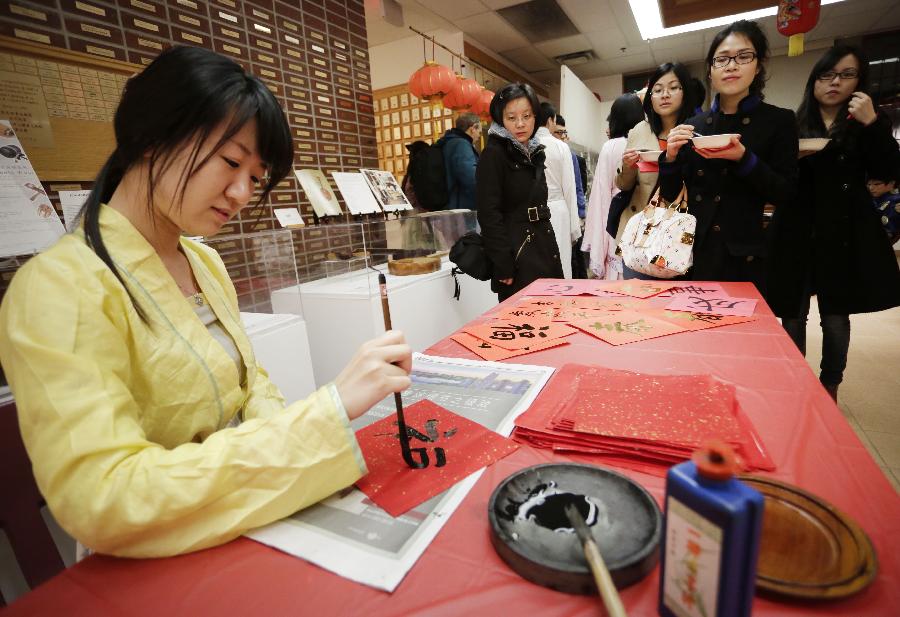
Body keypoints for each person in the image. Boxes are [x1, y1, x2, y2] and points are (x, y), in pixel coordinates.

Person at [0, 46, 413, 558]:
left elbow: (249, 385)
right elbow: (104, 497)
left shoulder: (204, 261)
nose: (242, 192)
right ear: (153, 136)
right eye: (231, 161)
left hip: (246, 516)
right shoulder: (58, 285)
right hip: (158, 549)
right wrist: (323, 417)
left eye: (256, 176)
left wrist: (306, 445)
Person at [771, 45, 900, 400]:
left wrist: (873, 123)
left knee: (835, 316)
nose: (834, 83)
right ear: (813, 82)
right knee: (792, 313)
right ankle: (795, 381)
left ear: (860, 81)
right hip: (797, 228)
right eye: (826, 75)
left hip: (843, 230)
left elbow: (889, 171)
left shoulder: (870, 122)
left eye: (846, 75)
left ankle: (830, 386)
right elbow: (778, 177)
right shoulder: (794, 122)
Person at [660, 20, 798, 294]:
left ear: (757, 66)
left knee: (743, 333)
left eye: (743, 56)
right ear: (711, 71)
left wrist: (745, 159)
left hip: (745, 255)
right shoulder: (695, 125)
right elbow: (672, 195)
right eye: (721, 59)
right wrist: (671, 157)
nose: (731, 65)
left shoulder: (778, 121)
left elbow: (786, 193)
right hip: (694, 252)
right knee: (698, 331)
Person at [476, 83, 563, 302]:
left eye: (526, 116)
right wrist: (503, 263)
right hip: (517, 252)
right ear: (500, 119)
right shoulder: (494, 154)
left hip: (544, 243)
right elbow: (488, 213)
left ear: (535, 116)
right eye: (512, 118)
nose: (520, 124)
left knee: (552, 314)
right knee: (524, 321)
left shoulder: (534, 150)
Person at [615, 62, 693, 279]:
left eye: (673, 87)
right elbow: (623, 184)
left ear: (685, 92)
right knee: (637, 304)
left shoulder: (695, 130)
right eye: (657, 90)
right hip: (641, 234)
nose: (664, 95)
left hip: (679, 237)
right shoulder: (639, 131)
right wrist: (629, 166)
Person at [583, 93, 644, 279]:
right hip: (641, 218)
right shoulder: (645, 143)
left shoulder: (611, 146)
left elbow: (601, 193)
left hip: (616, 218)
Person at [536, 102, 580, 279]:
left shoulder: (525, 145)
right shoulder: (560, 146)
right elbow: (569, 187)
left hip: (535, 211)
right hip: (558, 209)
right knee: (561, 261)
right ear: (550, 120)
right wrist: (574, 226)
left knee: (539, 263)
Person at [553, 114, 588, 279]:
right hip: (555, 216)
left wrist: (581, 214)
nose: (562, 136)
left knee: (574, 261)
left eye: (563, 132)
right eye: (558, 132)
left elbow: (578, 188)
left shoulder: (573, 156)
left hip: (570, 215)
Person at [435, 112, 480, 210]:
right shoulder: (462, 144)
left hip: (450, 203)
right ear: (473, 128)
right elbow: (471, 178)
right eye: (479, 132)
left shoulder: (449, 142)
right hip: (461, 206)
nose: (479, 136)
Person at [868, 172, 900, 245]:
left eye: (877, 184)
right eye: (869, 184)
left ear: (891, 183)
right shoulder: (871, 198)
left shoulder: (896, 199)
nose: (871, 188)